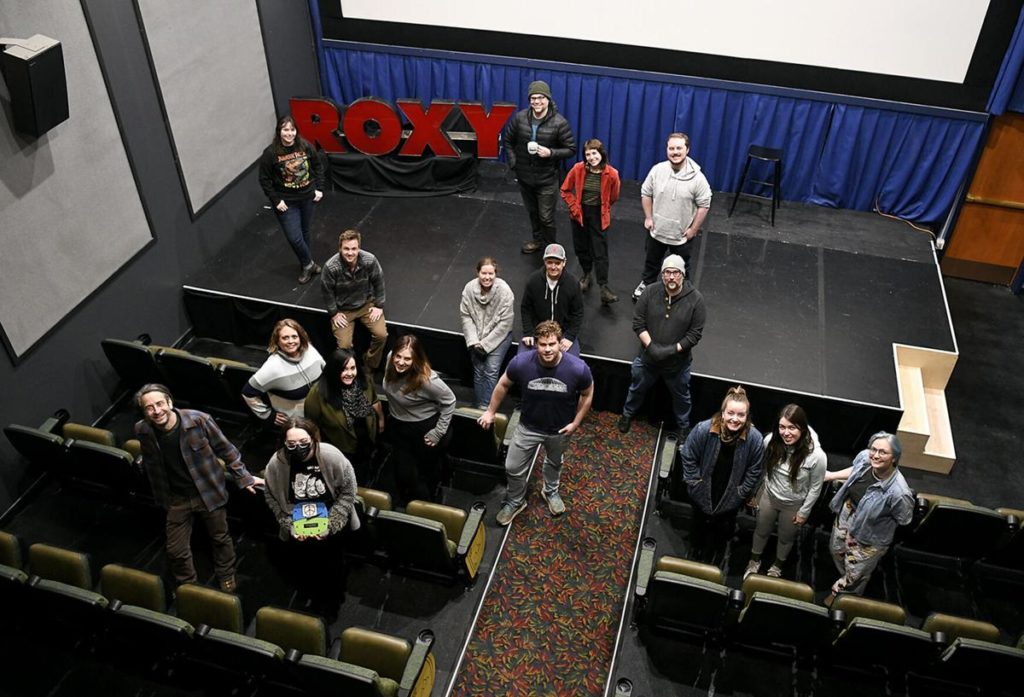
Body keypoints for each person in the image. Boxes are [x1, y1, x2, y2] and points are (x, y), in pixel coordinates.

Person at [133, 384, 262, 591]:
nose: (156, 411)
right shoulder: (142, 430)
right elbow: (151, 462)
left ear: (170, 402)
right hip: (176, 498)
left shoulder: (198, 420)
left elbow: (226, 450)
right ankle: (187, 586)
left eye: (159, 404)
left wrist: (243, 476)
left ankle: (226, 573)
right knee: (176, 551)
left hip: (207, 492)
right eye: (149, 407)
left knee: (220, 538)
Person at [479, 320, 594, 525]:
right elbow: (503, 383)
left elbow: (587, 393)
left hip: (559, 430)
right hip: (527, 427)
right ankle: (515, 501)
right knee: (512, 467)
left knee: (554, 462)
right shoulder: (521, 362)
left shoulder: (578, 368)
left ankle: (550, 491)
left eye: (552, 344)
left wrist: (576, 422)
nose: (547, 349)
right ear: (536, 344)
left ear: (560, 344)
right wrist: (490, 411)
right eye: (543, 344)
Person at [263, 417, 358, 617]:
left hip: (332, 521)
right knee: (304, 566)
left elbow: (348, 492)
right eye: (292, 444)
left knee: (333, 566)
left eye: (304, 443)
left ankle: (333, 601)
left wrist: (331, 525)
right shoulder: (277, 462)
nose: (298, 448)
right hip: (297, 525)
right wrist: (288, 524)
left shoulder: (332, 456)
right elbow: (271, 496)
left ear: (314, 439)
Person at [617, 255, 706, 436]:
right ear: (662, 274)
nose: (671, 277)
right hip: (648, 359)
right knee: (636, 389)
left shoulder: (696, 300)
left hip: (678, 364)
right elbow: (638, 323)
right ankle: (627, 415)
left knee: (682, 399)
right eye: (667, 272)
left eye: (675, 272)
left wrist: (671, 350)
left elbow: (694, 335)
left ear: (683, 274)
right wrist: (652, 348)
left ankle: (683, 428)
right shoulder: (649, 292)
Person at [823, 432, 914, 601]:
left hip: (870, 534)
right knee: (836, 549)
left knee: (856, 573)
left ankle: (844, 596)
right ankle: (846, 576)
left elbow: (904, 518)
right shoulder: (865, 458)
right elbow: (856, 470)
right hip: (848, 514)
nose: (876, 455)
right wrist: (832, 475)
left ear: (894, 458)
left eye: (883, 452)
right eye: (874, 449)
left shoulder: (899, 493)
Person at [680, 386, 764, 565]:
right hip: (703, 491)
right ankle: (696, 549)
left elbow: (755, 470)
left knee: (722, 530)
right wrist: (694, 481)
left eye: (741, 415)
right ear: (723, 413)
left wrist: (741, 492)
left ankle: (716, 554)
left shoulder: (754, 439)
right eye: (731, 413)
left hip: (730, 497)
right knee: (698, 524)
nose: (735, 419)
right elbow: (688, 455)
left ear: (747, 416)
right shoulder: (704, 429)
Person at [744, 404, 827, 579]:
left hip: (793, 505)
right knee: (761, 531)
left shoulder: (817, 456)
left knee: (785, 538)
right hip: (769, 497)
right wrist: (757, 493)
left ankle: (777, 566)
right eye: (782, 427)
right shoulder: (770, 442)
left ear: (802, 429)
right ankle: (754, 561)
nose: (786, 433)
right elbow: (764, 470)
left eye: (792, 428)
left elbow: (815, 487)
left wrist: (804, 511)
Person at [633, 132, 712, 301]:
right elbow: (646, 193)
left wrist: (693, 229)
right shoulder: (657, 170)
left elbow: (704, 205)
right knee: (651, 263)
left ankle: (684, 293)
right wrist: (648, 217)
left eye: (679, 148)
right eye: (671, 148)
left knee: (682, 268)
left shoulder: (698, 178)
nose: (675, 152)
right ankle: (646, 284)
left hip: (681, 236)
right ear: (666, 150)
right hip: (657, 231)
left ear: (687, 149)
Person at [503, 80, 576, 254]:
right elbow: (508, 141)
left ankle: (551, 249)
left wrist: (550, 153)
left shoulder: (559, 123)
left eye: (540, 98)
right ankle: (537, 240)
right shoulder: (520, 118)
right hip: (525, 177)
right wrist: (514, 164)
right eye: (533, 98)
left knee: (546, 217)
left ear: (548, 99)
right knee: (533, 213)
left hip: (547, 179)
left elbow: (571, 149)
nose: (537, 102)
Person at [382, 335, 456, 504]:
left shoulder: (427, 379)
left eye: (407, 358)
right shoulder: (390, 361)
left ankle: (427, 504)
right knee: (404, 471)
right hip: (399, 423)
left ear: (415, 359)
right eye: (398, 356)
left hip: (423, 428)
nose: (400, 362)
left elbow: (450, 401)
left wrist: (438, 432)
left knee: (424, 472)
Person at [258, 114, 325, 284]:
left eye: (292, 129)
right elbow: (264, 179)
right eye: (285, 130)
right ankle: (309, 264)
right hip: (286, 202)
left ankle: (306, 265)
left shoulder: (305, 146)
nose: (289, 133)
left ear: (296, 131)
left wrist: (319, 188)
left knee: (305, 232)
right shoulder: (270, 153)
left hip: (308, 198)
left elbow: (318, 166)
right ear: (279, 131)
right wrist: (276, 200)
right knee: (294, 237)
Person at [304, 348, 384, 483]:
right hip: (342, 448)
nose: (349, 373)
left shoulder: (364, 381)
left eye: (353, 368)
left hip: (366, 440)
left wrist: (381, 420)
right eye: (343, 369)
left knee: (364, 472)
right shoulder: (318, 393)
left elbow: (374, 400)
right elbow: (311, 425)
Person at [560, 138, 621, 305]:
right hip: (579, 214)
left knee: (600, 252)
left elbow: (614, 196)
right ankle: (586, 275)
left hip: (598, 216)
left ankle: (604, 287)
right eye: (588, 154)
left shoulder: (612, 174)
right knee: (581, 247)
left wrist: (604, 208)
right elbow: (565, 190)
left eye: (594, 153)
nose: (592, 157)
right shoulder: (578, 169)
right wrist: (573, 207)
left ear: (601, 153)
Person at [321, 229, 388, 370]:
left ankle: (370, 365)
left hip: (365, 304)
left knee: (381, 335)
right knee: (344, 347)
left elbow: (379, 281)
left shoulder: (369, 260)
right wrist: (333, 313)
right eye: (346, 249)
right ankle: (351, 368)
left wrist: (379, 305)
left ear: (359, 248)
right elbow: (327, 291)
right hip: (343, 309)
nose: (350, 253)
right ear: (340, 248)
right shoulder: (331, 267)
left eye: (354, 249)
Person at [242, 318, 324, 426]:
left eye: (294, 336)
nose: (291, 341)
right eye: (285, 338)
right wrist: (268, 415)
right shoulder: (272, 367)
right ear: (277, 341)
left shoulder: (310, 349)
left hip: (322, 414)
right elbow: (248, 393)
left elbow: (325, 373)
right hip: (299, 425)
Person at [460, 257, 515, 408]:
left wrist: (485, 345)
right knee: (479, 370)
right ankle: (479, 405)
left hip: (499, 337)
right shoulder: (469, 289)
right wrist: (474, 341)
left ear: (496, 274)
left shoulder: (504, 291)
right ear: (478, 272)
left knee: (491, 369)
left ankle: (487, 407)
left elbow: (505, 323)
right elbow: (466, 316)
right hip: (476, 338)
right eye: (484, 273)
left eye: (491, 273)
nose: (487, 277)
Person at [519, 243, 584, 356]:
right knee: (521, 363)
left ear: (564, 263)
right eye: (550, 262)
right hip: (537, 332)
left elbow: (578, 312)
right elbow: (526, 308)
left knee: (573, 367)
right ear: (544, 262)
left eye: (557, 263)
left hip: (563, 333)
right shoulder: (533, 281)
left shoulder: (573, 283)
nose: (553, 267)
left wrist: (570, 337)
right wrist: (528, 332)